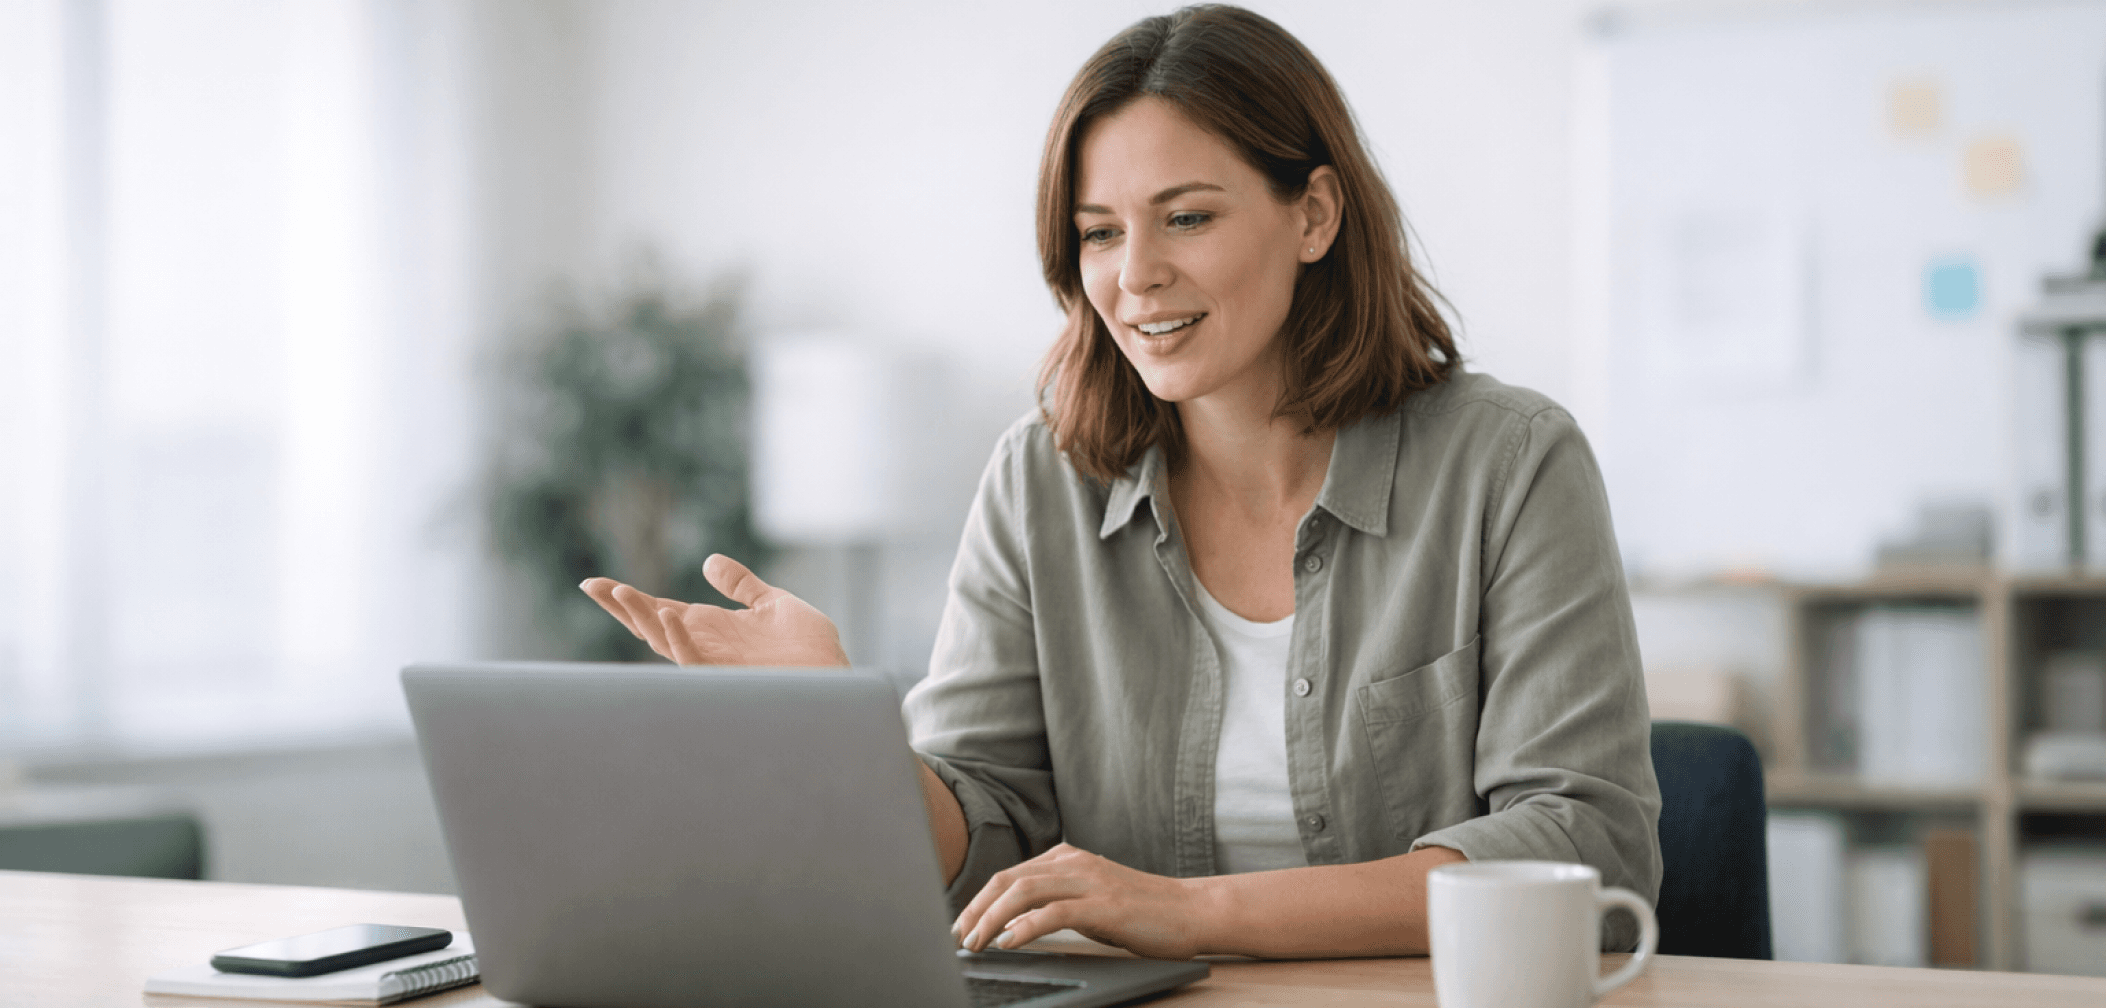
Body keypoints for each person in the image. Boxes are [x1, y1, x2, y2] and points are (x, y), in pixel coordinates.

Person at [583, 3, 1659, 962]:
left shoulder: (1512, 464)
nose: (1134, 274)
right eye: (1100, 233)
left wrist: (1193, 914)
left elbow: (1580, 843)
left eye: (1186, 217)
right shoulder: (1036, 480)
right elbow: (981, 828)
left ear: (1314, 216)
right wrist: (835, 729)